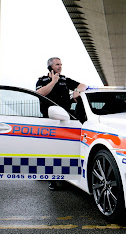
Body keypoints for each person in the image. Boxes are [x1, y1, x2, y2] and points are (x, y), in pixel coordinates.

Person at [36, 57, 87, 191]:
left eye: (61, 64)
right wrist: (53, 82)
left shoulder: (64, 79)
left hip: (66, 118)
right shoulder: (42, 80)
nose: (60, 66)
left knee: (65, 148)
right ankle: (51, 178)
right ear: (50, 67)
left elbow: (83, 85)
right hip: (50, 119)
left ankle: (68, 173)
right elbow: (40, 93)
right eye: (57, 64)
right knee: (51, 150)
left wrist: (77, 91)